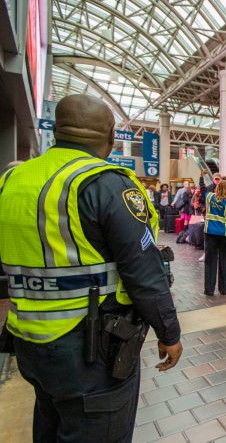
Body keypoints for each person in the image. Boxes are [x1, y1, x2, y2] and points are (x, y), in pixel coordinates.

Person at [0, 94, 182, 442]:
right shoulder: (107, 184)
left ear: (56, 131)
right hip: (91, 350)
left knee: (50, 424)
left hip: (28, 340)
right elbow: (143, 272)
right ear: (111, 138)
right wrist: (168, 332)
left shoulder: (12, 180)